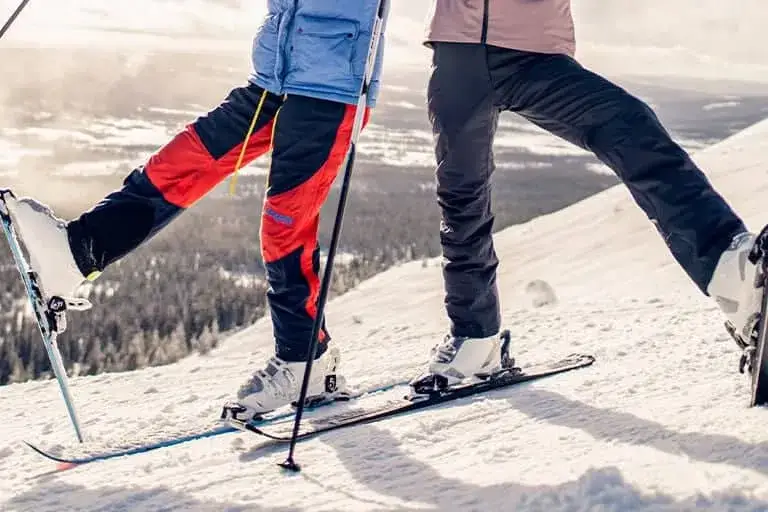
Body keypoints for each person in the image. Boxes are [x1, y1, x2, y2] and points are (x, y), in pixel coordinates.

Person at [1, 0, 389, 421]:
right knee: (180, 164)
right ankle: (78, 253)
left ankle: (305, 360)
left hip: (330, 89)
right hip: (275, 75)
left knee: (284, 226)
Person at [417, 0, 765, 382]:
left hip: (534, 53)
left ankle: (729, 269)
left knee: (630, 126)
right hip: (458, 50)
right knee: (462, 195)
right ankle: (474, 335)